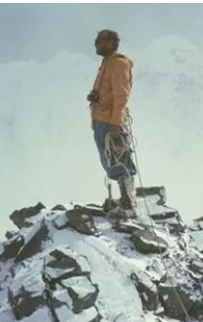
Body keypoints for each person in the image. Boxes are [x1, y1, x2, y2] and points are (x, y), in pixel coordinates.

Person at [88, 29, 137, 219]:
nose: (96, 45)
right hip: (103, 120)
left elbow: (121, 96)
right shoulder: (107, 64)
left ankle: (128, 205)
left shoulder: (118, 64)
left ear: (110, 43)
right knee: (111, 159)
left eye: (99, 41)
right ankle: (125, 200)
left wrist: (116, 124)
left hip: (110, 122)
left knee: (119, 158)